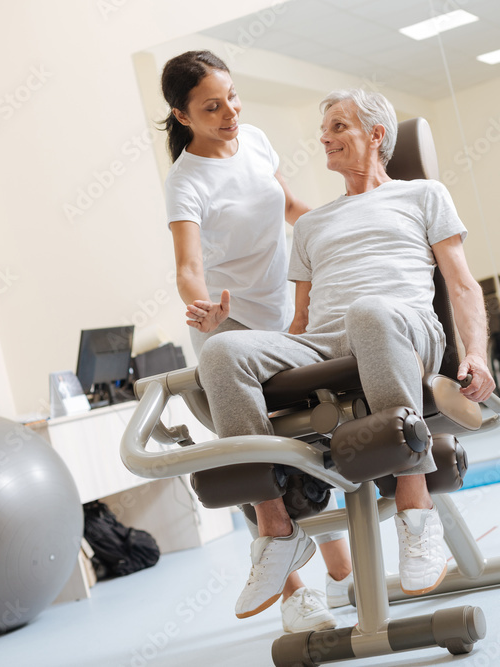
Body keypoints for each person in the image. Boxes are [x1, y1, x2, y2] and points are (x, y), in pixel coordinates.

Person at [196, 88, 496, 621]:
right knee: (221, 351)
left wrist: (477, 354)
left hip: (403, 327)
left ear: (376, 135)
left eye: (338, 126)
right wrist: (265, 354)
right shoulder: (311, 225)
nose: (324, 138)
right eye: (324, 129)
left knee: (368, 311)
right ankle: (277, 530)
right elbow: (299, 322)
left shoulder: (424, 195)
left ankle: (415, 510)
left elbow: (463, 285)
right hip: (326, 341)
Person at [160, 50, 352, 634]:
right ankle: (294, 591)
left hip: (287, 317)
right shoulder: (185, 182)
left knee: (313, 437)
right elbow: (188, 266)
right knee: (253, 451)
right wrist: (203, 307)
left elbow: (290, 207)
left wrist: (348, 225)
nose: (230, 113)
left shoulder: (257, 141)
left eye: (232, 98)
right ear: (183, 115)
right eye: (211, 107)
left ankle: (342, 574)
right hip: (228, 325)